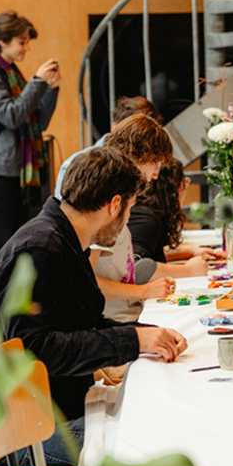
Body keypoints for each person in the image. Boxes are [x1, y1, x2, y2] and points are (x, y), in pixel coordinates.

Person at [0, 147, 188, 465]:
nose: (128, 219)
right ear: (115, 205)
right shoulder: (39, 249)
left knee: (160, 414)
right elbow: (34, 351)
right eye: (129, 208)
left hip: (56, 409)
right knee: (153, 436)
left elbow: (85, 323)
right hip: (23, 429)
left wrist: (148, 335)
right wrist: (133, 340)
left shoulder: (64, 240)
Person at [0, 11, 60, 261]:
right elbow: (11, 115)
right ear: (2, 41)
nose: (27, 48)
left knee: (20, 255)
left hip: (19, 177)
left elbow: (37, 123)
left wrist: (50, 89)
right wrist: (37, 82)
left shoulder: (13, 75)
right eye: (22, 41)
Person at [91, 114, 178, 322]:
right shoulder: (104, 202)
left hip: (131, 315)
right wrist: (144, 291)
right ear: (137, 156)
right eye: (154, 164)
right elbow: (87, 282)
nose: (156, 175)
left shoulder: (123, 198)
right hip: (114, 322)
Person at [54, 95, 162, 201]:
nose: (145, 145)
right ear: (115, 128)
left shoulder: (151, 168)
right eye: (139, 136)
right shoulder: (73, 166)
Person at [128, 163, 214, 278]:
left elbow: (149, 253)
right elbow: (133, 268)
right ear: (172, 189)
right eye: (184, 184)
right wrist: (187, 271)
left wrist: (189, 250)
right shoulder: (146, 220)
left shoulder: (148, 214)